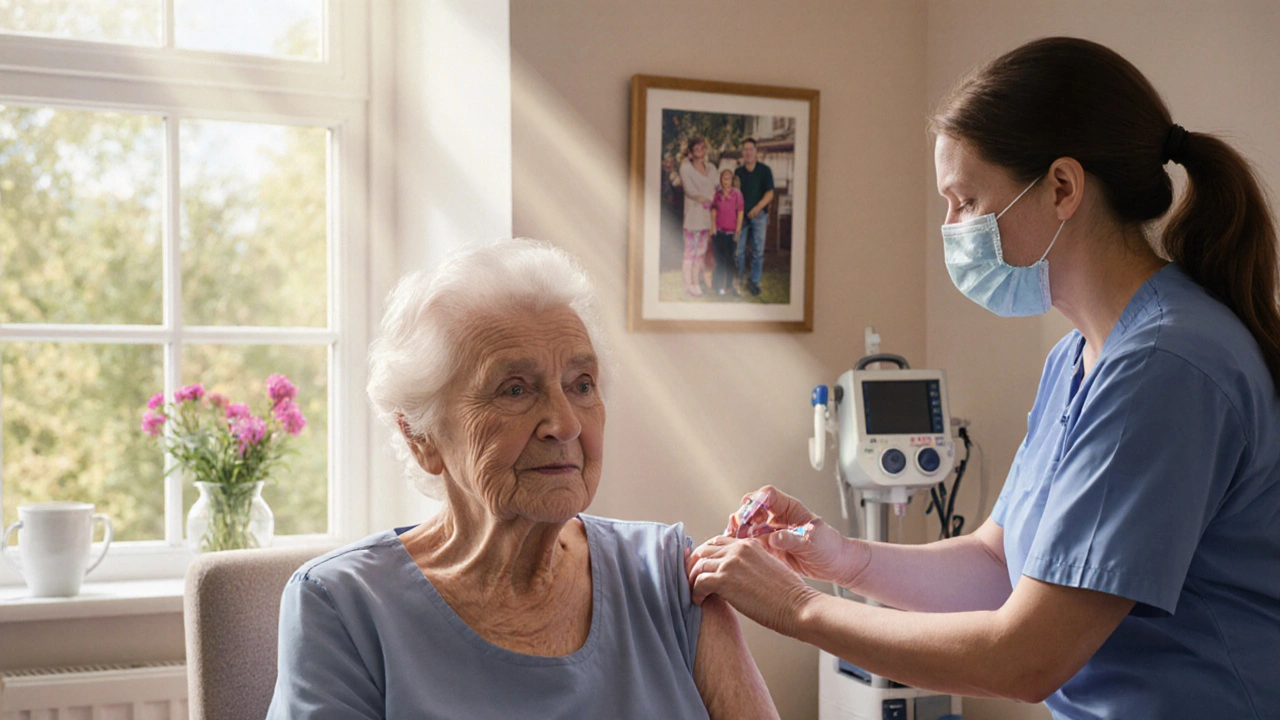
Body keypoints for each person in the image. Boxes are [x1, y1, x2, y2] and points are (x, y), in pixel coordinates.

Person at [689, 36, 1280, 718]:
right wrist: (840, 557)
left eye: (966, 201)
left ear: (1062, 186)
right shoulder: (1081, 357)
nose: (952, 228)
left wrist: (796, 609)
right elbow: (997, 567)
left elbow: (1025, 656)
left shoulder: (1166, 367)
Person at [267, 239, 778, 719]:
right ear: (420, 434)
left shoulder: (671, 578)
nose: (566, 423)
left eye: (581, 384)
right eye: (514, 389)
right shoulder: (343, 607)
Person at [678, 136, 719, 297]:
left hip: (706, 218)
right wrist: (708, 198)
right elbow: (690, 191)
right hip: (692, 218)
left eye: (702, 148)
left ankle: (695, 283)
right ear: (691, 151)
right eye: (696, 148)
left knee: (701, 252)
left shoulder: (711, 168)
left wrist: (712, 200)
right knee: (690, 252)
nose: (700, 151)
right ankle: (687, 285)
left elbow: (717, 187)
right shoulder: (685, 168)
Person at [734, 138, 774, 297]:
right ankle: (739, 281)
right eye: (745, 149)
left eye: (751, 149)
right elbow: (734, 194)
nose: (748, 152)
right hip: (741, 218)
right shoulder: (738, 172)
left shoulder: (765, 170)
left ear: (756, 152)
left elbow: (770, 193)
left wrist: (757, 209)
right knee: (739, 252)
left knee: (758, 251)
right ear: (742, 153)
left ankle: (754, 282)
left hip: (759, 217)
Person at [710, 167, 745, 296]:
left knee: (730, 261)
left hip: (731, 233)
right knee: (719, 261)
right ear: (721, 180)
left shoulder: (737, 194)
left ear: (732, 180)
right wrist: (713, 226)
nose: (726, 179)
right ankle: (717, 287)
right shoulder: (717, 194)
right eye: (724, 177)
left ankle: (729, 287)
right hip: (718, 232)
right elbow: (713, 210)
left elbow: (740, 210)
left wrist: (738, 228)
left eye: (729, 177)